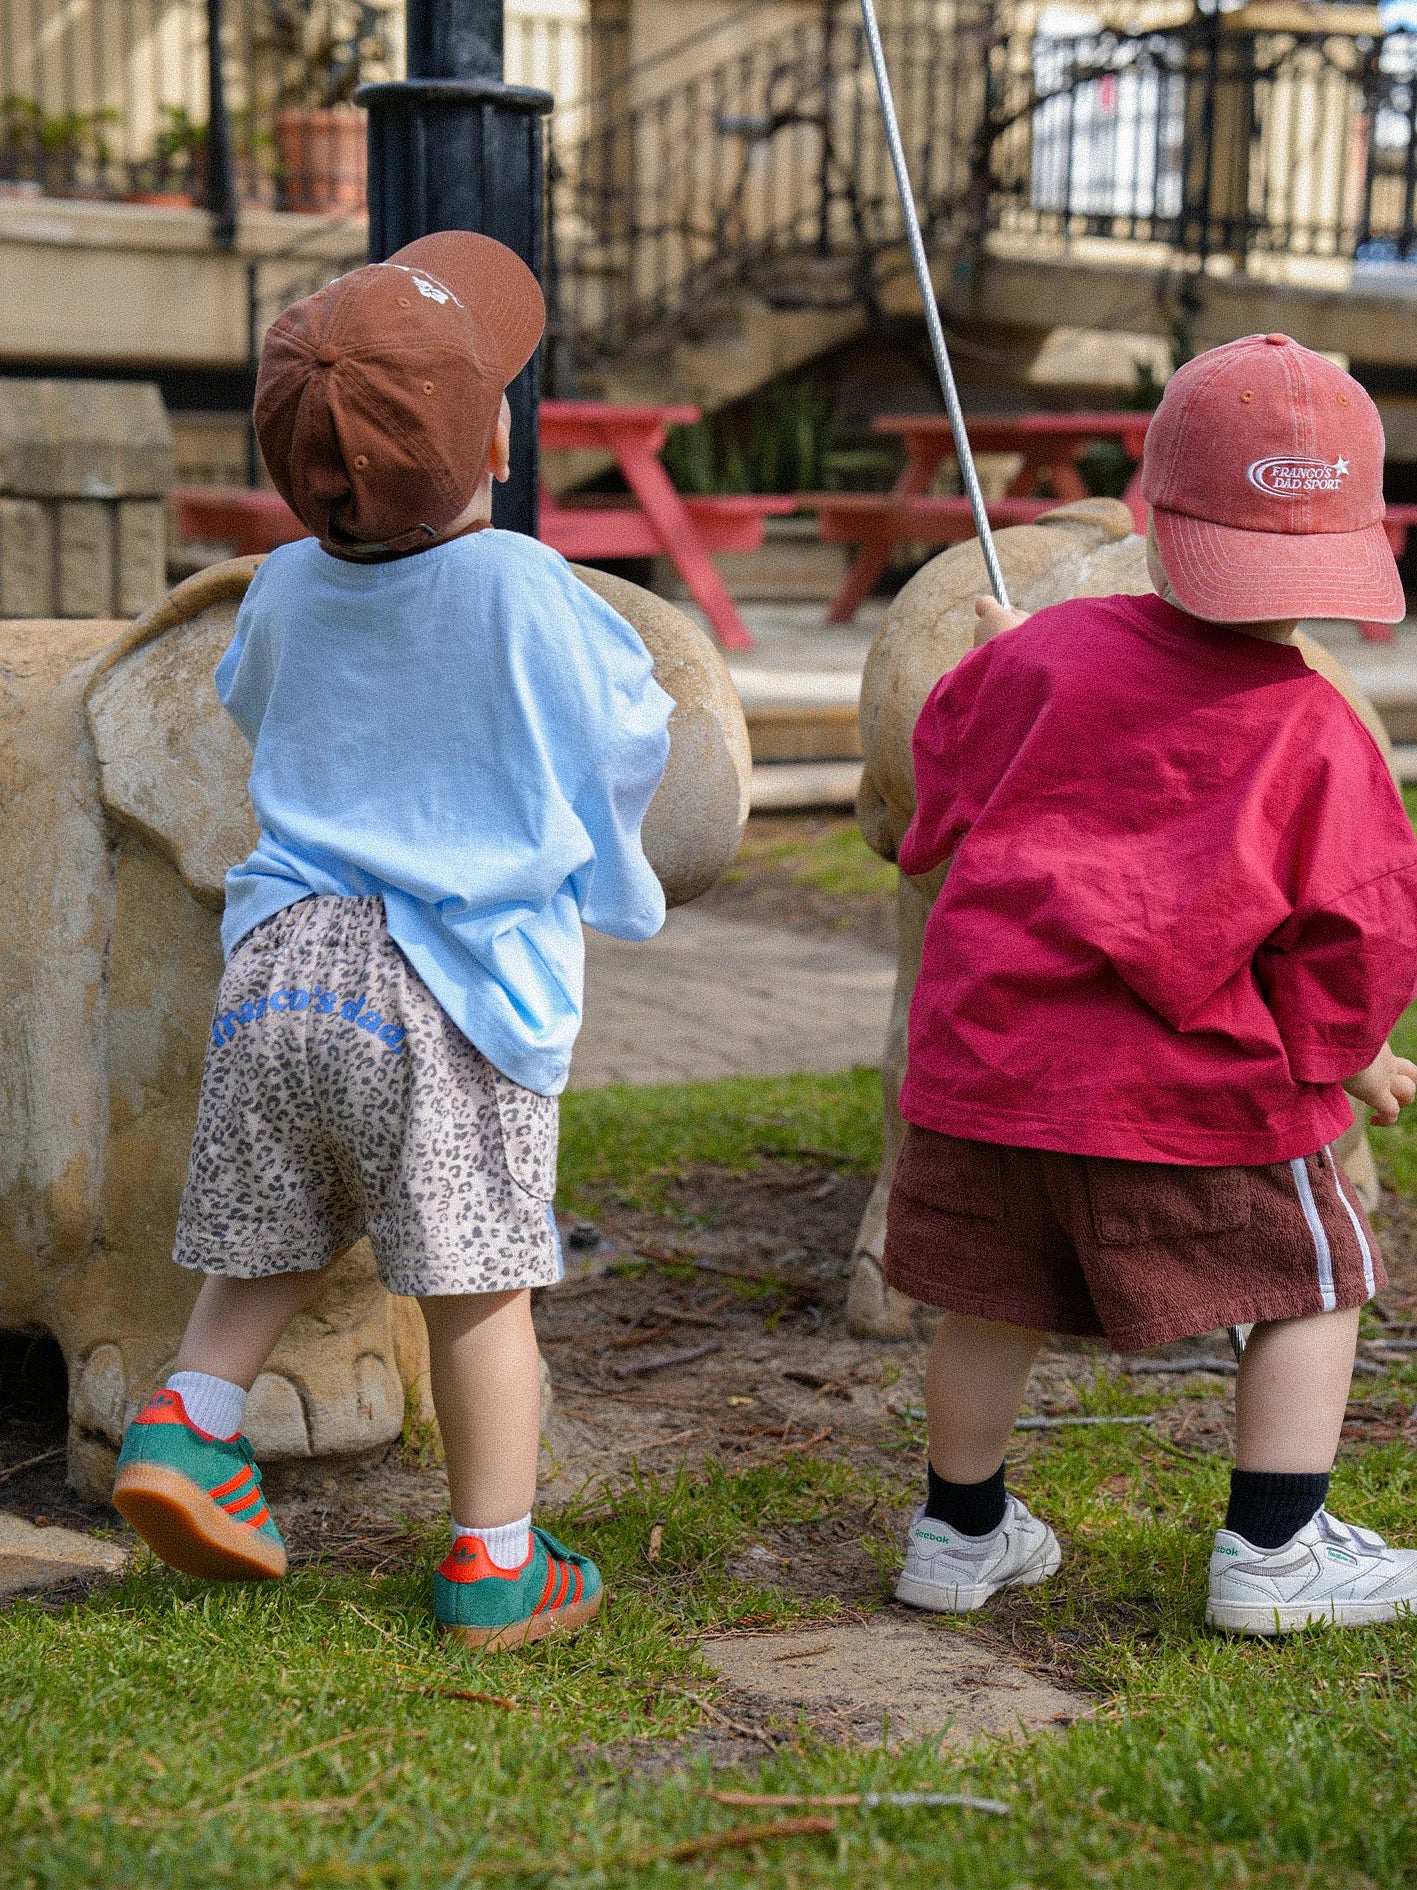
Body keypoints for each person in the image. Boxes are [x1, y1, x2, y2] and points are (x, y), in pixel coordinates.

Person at [111, 232, 673, 1650]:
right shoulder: (524, 587)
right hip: (442, 988)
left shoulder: (285, 585)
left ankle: (187, 1423)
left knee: (269, 1238)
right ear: (491, 436)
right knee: (482, 1287)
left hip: (283, 963)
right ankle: (495, 1559)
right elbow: (623, 736)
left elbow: (253, 699)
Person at [887, 334, 1417, 1635]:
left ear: (1161, 520)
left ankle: (957, 1533)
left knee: (986, 1296)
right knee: (1318, 1280)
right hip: (1189, 1091)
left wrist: (1005, 662)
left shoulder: (1039, 658)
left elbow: (940, 770)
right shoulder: (1319, 731)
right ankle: (1276, 1548)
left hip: (986, 1076)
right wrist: (1334, 1057)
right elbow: (1358, 939)